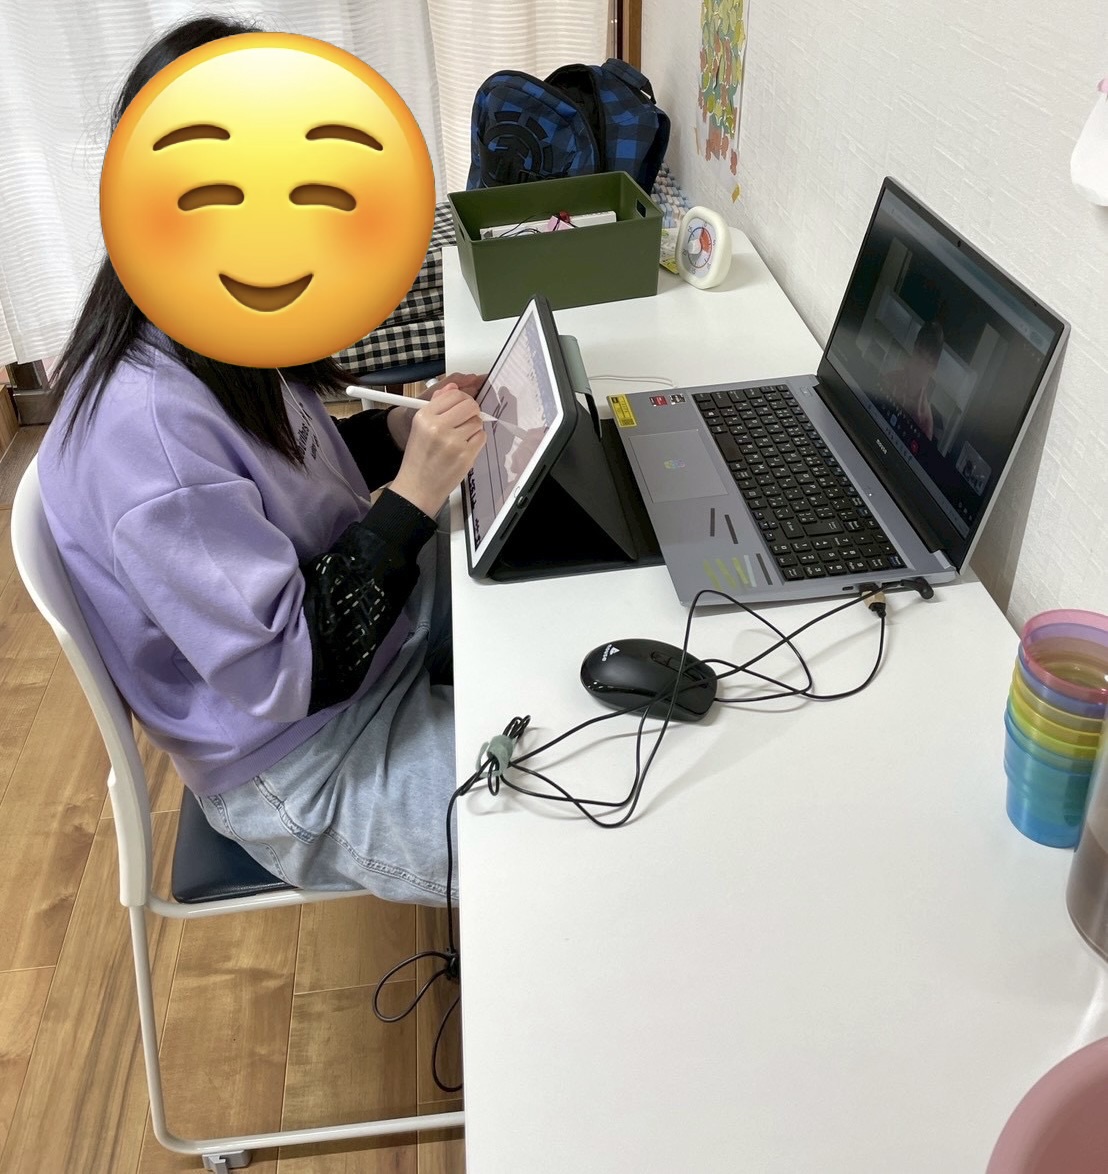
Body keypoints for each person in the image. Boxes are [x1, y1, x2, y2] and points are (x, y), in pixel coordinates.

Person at [35, 15, 486, 905]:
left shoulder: (212, 323)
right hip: (304, 761)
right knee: (576, 831)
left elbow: (288, 478)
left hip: (370, 650)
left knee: (556, 588)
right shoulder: (146, 432)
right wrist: (416, 492)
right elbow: (292, 671)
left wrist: (401, 441)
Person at [879, 319, 943, 441]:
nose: (920, 365)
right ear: (914, 349)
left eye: (927, 361)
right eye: (919, 353)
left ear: (933, 368)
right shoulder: (890, 379)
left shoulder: (925, 421)